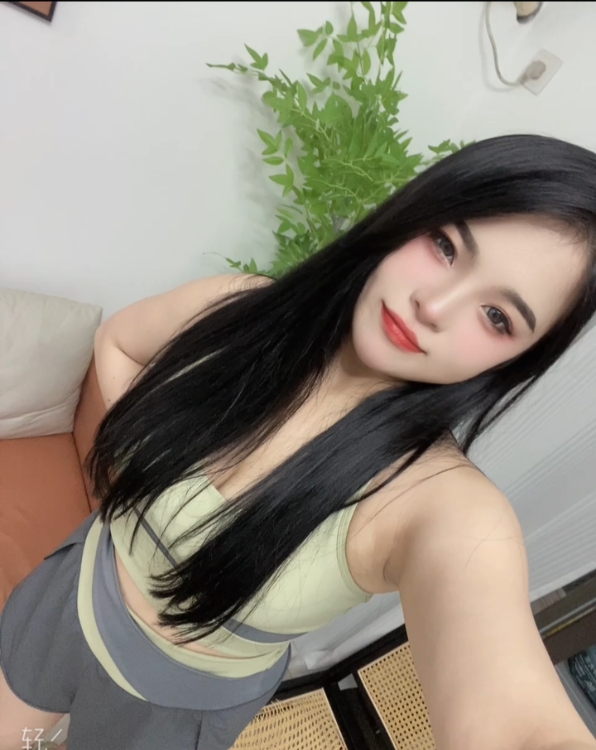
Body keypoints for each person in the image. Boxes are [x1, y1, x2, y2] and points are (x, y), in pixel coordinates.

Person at [1, 134, 596, 750]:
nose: (434, 305)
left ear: (516, 361)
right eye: (445, 245)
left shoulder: (435, 502)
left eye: (497, 317)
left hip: (171, 710)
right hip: (68, 597)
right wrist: (134, 485)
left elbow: (516, 723)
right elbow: (119, 343)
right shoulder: (237, 309)